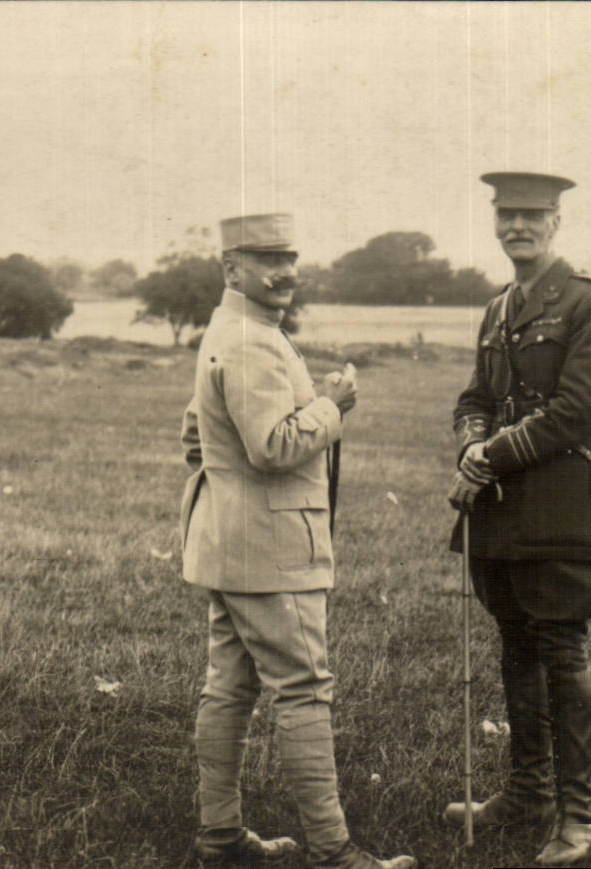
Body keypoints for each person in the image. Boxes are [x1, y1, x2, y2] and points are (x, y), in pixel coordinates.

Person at [179, 213, 414, 869]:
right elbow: (272, 445)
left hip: (233, 544)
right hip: (272, 550)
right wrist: (333, 405)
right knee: (304, 690)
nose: (285, 271)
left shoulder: (231, 330)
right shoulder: (252, 340)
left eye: (289, 258)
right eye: (266, 259)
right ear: (232, 268)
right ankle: (335, 853)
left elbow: (193, 437)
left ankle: (220, 836)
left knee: (229, 688)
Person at [443, 172, 591, 866]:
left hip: (559, 506)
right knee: (515, 645)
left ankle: (576, 814)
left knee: (561, 653)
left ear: (554, 222)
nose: (517, 224)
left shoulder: (588, 300)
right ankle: (527, 791)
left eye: (531, 214)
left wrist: (487, 457)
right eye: (506, 213)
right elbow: (473, 395)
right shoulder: (496, 308)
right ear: (495, 220)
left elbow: (580, 409)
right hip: (500, 510)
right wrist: (470, 443)